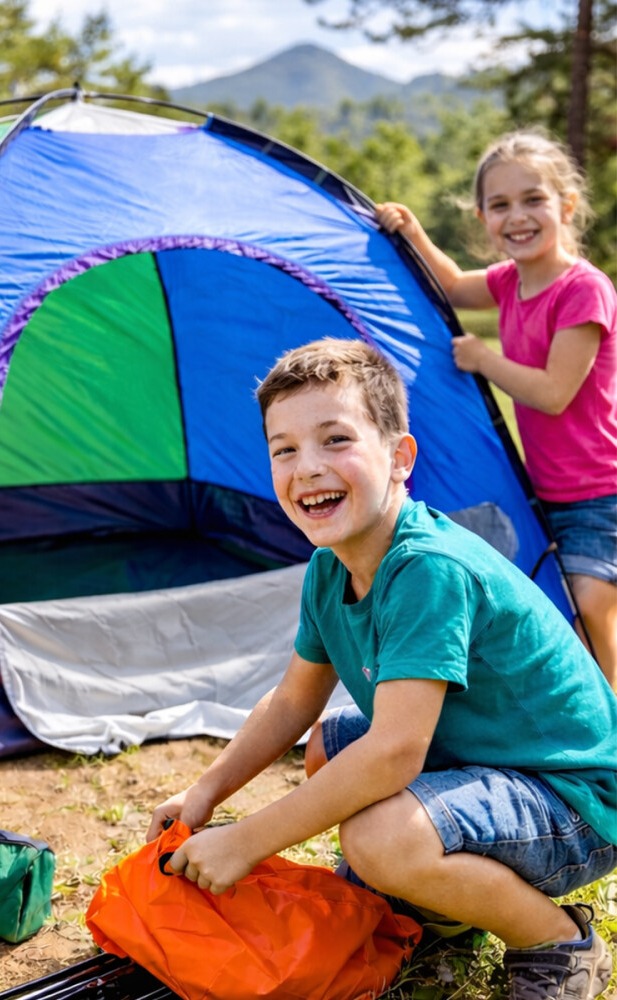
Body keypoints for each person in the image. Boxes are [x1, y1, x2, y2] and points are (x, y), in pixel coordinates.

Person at [148, 339, 617, 1000]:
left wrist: (246, 841)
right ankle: (446, 904)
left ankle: (559, 940)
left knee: (377, 837)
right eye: (284, 449)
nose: (308, 468)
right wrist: (204, 795)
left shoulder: (429, 567)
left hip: (575, 804)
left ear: (400, 459)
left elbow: (396, 753)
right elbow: (291, 703)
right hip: (485, 763)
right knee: (329, 744)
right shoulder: (328, 567)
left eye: (335, 440)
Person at [375, 129, 617, 689]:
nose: (518, 217)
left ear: (567, 205)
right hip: (545, 491)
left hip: (599, 492)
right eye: (500, 205)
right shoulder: (510, 282)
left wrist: (483, 358)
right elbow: (456, 285)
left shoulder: (583, 289)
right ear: (482, 216)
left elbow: (556, 392)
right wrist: (413, 234)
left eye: (534, 199)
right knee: (564, 613)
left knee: (591, 605)